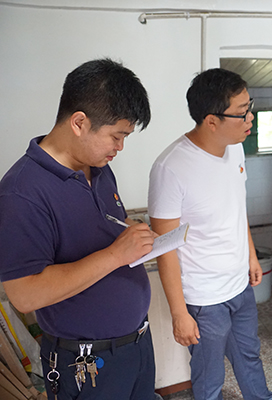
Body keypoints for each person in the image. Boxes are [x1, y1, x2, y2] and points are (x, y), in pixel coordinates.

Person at [0, 59, 156, 399]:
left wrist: (133, 233)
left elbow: (100, 227)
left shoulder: (98, 168)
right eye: (117, 136)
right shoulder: (21, 192)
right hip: (86, 363)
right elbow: (25, 295)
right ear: (80, 122)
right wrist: (116, 254)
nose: (120, 147)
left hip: (137, 344)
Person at [148, 68, 272, 400]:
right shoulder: (170, 168)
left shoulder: (235, 147)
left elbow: (236, 209)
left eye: (250, 107)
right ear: (211, 121)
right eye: (242, 112)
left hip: (239, 286)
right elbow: (164, 248)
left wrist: (251, 256)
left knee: (249, 356)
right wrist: (179, 313)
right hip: (204, 298)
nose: (250, 118)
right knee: (209, 376)